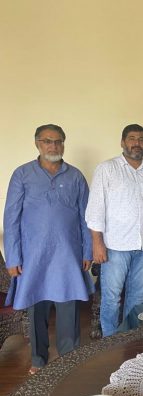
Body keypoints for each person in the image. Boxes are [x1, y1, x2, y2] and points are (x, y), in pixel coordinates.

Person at [3, 124, 94, 374]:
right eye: (47, 141)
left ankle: (69, 360)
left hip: (67, 255)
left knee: (68, 309)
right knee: (36, 309)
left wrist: (87, 251)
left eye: (58, 141)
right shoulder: (22, 174)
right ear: (37, 144)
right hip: (34, 257)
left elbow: (87, 217)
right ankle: (38, 360)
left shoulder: (75, 176)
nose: (53, 146)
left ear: (64, 144)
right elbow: (10, 219)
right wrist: (13, 256)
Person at [85, 124, 143, 337]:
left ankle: (130, 338)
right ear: (122, 142)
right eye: (132, 138)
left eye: (141, 139)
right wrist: (97, 243)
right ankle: (110, 341)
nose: (137, 143)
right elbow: (95, 208)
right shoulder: (107, 168)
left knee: (137, 297)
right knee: (112, 297)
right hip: (115, 246)